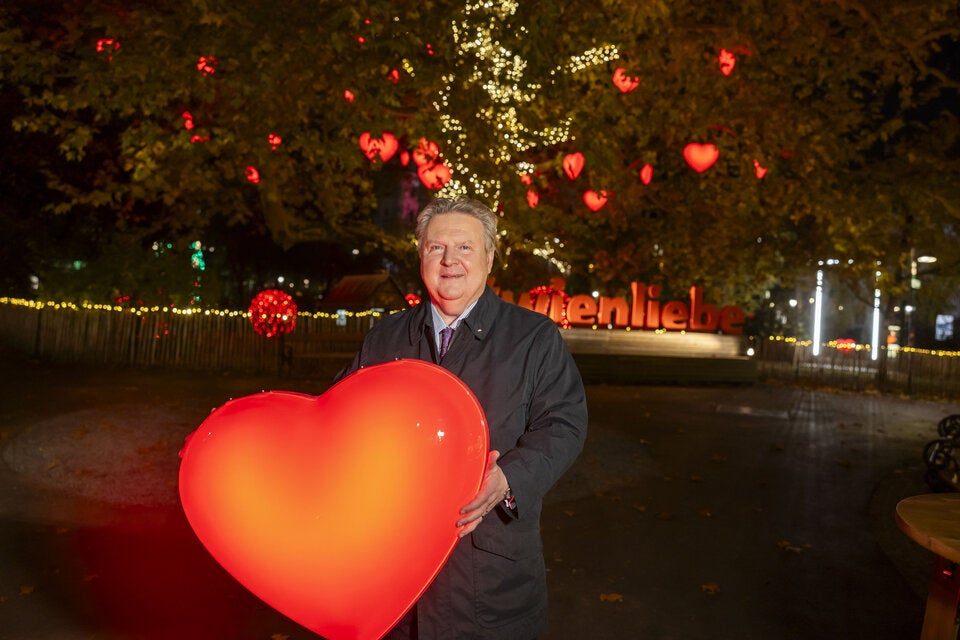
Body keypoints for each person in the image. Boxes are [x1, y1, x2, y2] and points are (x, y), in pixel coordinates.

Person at [336, 196, 588, 639]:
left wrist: (509, 478)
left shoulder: (534, 338)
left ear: (490, 258)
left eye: (465, 248)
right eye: (436, 248)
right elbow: (338, 421)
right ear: (421, 257)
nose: (450, 260)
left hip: (490, 577)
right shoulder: (385, 339)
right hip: (395, 580)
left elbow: (563, 424)